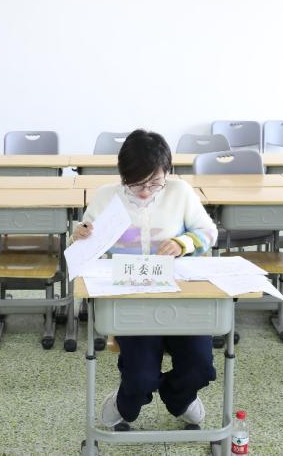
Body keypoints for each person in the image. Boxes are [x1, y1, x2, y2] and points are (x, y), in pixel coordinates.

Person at [72, 129, 218, 430]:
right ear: (123, 175)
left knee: (201, 367)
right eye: (136, 183)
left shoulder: (180, 192)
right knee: (140, 378)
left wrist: (183, 243)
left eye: (154, 183)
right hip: (132, 301)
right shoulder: (106, 198)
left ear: (167, 172)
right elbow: (84, 249)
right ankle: (126, 401)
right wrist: (79, 236)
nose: (144, 191)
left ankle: (177, 397)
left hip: (182, 296)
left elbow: (209, 232)